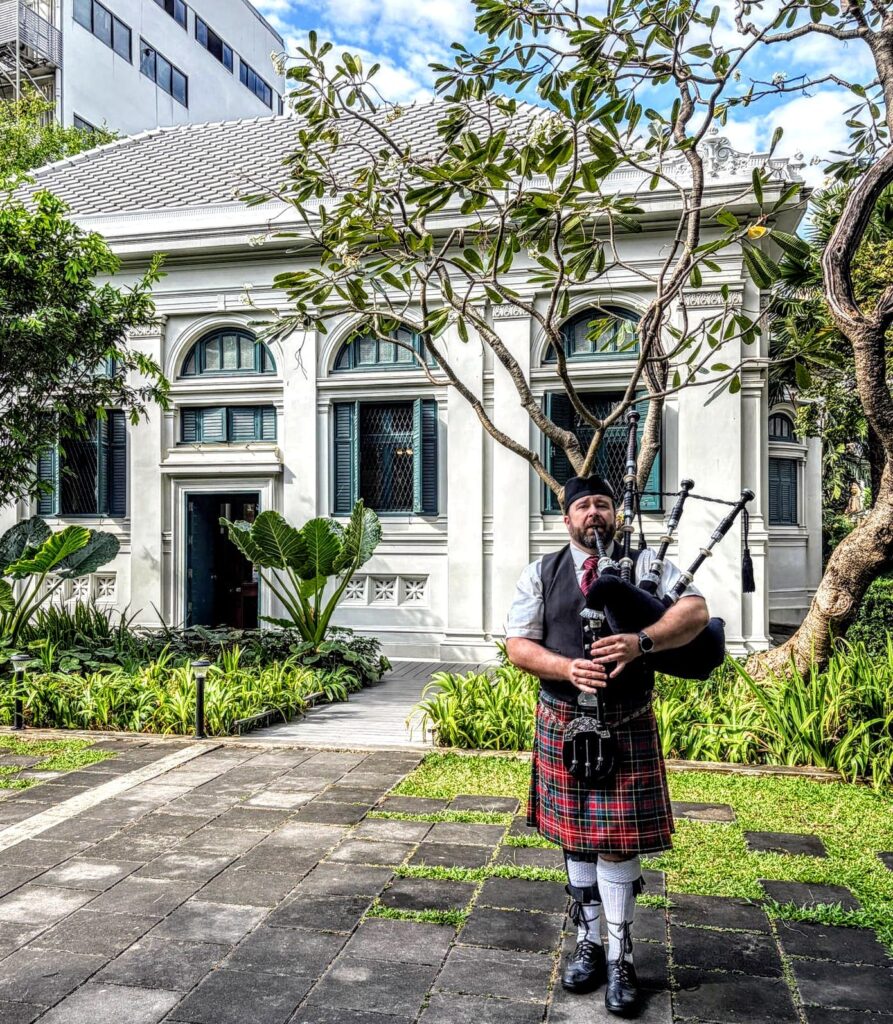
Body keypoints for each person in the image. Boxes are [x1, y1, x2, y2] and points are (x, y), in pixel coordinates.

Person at [505, 475, 710, 1017]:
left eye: (602, 504)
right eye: (583, 506)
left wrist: (643, 642)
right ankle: (589, 943)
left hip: (626, 720)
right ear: (566, 518)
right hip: (563, 718)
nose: (593, 513)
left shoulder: (645, 565)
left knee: (616, 842)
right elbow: (518, 645)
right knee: (574, 841)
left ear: (615, 514)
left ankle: (622, 958)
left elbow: (695, 613)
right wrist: (565, 667)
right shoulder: (542, 572)